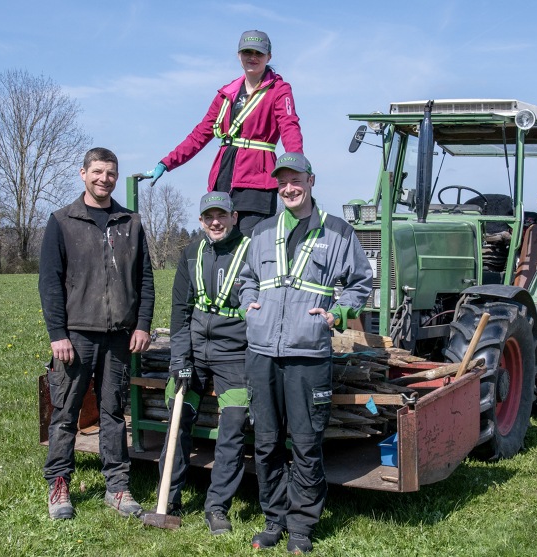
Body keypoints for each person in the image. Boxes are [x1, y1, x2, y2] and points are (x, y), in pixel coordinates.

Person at [238, 152, 373, 554]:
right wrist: (249, 304)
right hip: (262, 352)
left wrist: (337, 313)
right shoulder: (262, 231)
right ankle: (273, 520)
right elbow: (245, 278)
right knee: (265, 441)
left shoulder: (338, 232)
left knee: (306, 442)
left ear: (311, 181)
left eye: (295, 180)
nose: (288, 188)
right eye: (282, 182)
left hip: (308, 353)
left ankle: (301, 526)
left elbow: (361, 281)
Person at [38, 147, 155, 520]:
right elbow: (50, 283)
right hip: (76, 337)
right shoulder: (62, 221)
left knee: (114, 413)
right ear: (83, 173)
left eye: (111, 173)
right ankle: (59, 485)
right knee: (65, 412)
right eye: (98, 172)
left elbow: (146, 280)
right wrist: (58, 333)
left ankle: (117, 488)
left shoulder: (130, 222)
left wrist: (142, 325)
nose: (104, 179)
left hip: (119, 336)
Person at [144, 30, 303, 236]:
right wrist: (166, 163)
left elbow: (289, 127)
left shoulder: (279, 90)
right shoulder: (226, 93)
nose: (252, 57)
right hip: (224, 176)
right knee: (222, 244)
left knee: (252, 246)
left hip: (257, 178)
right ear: (239, 55)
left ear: (268, 57)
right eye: (247, 52)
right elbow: (200, 134)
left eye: (259, 53)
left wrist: (296, 165)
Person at [158, 191, 252, 536]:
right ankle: (169, 496)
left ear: (234, 217)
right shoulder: (190, 253)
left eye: (221, 216)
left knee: (234, 421)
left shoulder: (251, 252)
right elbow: (179, 313)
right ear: (200, 221)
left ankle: (217, 507)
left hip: (235, 352)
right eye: (208, 217)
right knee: (178, 411)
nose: (215, 222)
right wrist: (180, 359)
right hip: (194, 350)